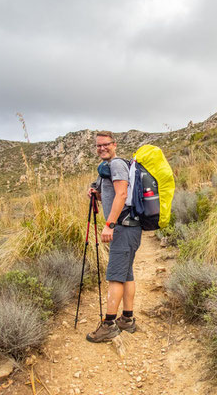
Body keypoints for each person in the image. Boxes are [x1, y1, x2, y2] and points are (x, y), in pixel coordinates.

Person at [86, 130, 142, 342]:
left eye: (106, 144)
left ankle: (108, 325)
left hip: (123, 227)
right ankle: (127, 320)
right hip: (128, 226)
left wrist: (109, 224)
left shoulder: (117, 164)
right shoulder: (109, 167)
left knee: (115, 275)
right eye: (98, 145)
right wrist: (97, 195)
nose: (102, 148)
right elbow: (111, 195)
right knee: (126, 273)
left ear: (114, 144)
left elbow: (121, 193)